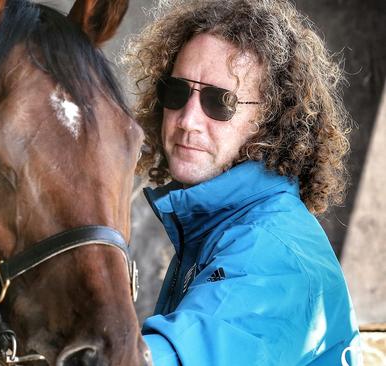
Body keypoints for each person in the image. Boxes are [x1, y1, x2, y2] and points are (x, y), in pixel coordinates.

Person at [123, 0, 362, 365]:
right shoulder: (225, 227)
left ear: (270, 123)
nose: (188, 119)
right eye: (177, 91)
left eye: (220, 102)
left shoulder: (271, 253)